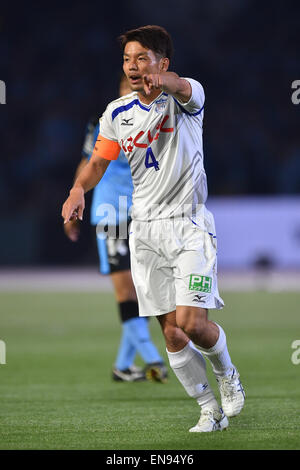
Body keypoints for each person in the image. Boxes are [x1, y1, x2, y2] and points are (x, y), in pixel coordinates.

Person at [62, 25, 245, 432]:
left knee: (192, 323)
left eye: (141, 58)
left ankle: (228, 376)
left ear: (162, 62)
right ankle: (207, 409)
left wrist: (165, 81)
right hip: (144, 231)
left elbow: (181, 87)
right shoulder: (116, 113)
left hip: (188, 225)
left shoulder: (186, 98)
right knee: (172, 333)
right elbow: (97, 164)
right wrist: (77, 189)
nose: (132, 66)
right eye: (127, 59)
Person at [64, 73, 168, 383]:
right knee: (126, 291)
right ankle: (152, 360)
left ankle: (123, 366)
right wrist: (74, 199)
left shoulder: (159, 121)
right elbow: (88, 163)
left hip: (145, 213)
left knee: (147, 290)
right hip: (111, 213)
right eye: (127, 88)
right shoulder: (106, 123)